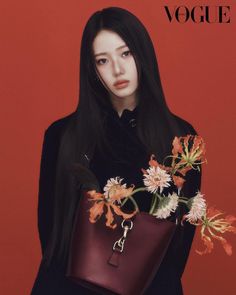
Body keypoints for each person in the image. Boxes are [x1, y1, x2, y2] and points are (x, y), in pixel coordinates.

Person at [31, 7, 201, 295]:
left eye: (126, 53)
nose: (117, 70)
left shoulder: (181, 138)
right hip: (69, 286)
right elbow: (50, 230)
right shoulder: (63, 135)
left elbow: (179, 242)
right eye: (102, 60)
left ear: (143, 54)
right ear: (92, 68)